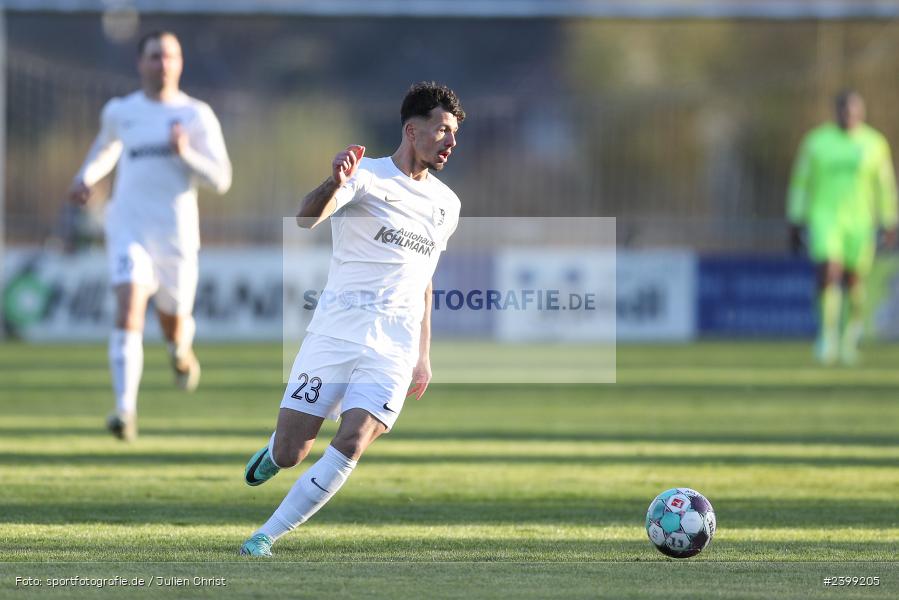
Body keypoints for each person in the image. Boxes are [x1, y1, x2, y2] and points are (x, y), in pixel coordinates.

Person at [239, 82, 464, 557]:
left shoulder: (448, 206)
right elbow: (304, 220)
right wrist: (334, 182)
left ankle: (266, 536)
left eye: (454, 134)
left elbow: (425, 282)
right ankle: (274, 449)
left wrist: (423, 357)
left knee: (354, 437)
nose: (450, 142)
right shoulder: (366, 177)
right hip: (335, 334)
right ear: (412, 129)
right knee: (291, 452)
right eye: (443, 130)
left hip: (394, 348)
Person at [67, 31, 232, 441]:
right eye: (156, 56)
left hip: (175, 236)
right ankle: (125, 411)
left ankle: (180, 351)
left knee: (173, 326)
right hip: (128, 228)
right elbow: (106, 149)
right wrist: (85, 177)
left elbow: (222, 179)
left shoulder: (197, 115)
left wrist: (185, 154)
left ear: (181, 63)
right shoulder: (121, 111)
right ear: (140, 63)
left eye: (171, 56)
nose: (164, 64)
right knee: (128, 309)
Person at [788, 90, 897, 365]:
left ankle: (850, 339)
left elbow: (885, 186)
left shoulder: (875, 143)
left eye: (854, 111)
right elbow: (801, 182)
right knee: (828, 272)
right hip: (825, 217)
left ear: (862, 112)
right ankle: (827, 338)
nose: (849, 116)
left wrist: (889, 220)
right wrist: (796, 217)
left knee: (855, 281)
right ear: (836, 111)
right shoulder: (816, 142)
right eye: (844, 110)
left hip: (861, 221)